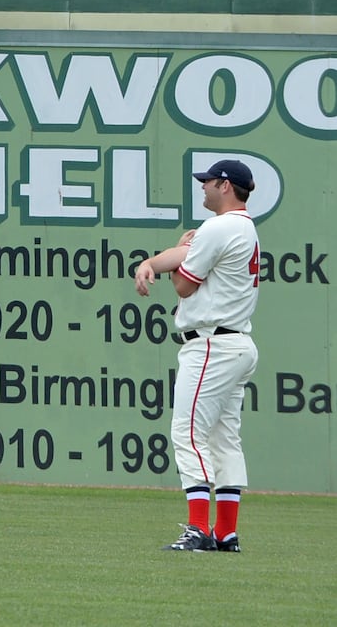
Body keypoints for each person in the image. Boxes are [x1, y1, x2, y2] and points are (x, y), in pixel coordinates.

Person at [134, 159, 261, 553]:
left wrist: (178, 256)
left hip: (211, 344)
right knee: (224, 439)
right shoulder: (243, 227)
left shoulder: (219, 226)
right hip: (235, 342)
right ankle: (225, 532)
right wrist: (156, 261)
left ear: (225, 185)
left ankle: (197, 528)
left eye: (207, 182)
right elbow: (181, 261)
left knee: (187, 432)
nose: (203, 188)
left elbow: (184, 285)